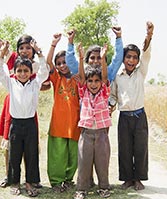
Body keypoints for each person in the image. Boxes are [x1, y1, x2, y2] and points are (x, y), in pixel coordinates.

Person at [0, 17, 43, 189]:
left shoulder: (37, 66)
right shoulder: (13, 61)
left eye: (28, 48)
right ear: (18, 50)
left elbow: (44, 81)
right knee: (10, 143)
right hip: (12, 107)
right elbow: (1, 45)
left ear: (33, 50)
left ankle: (31, 179)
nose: (25, 51)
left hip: (28, 109)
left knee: (30, 146)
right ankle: (9, 176)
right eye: (22, 48)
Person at [66, 26, 123, 187]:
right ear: (87, 60)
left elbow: (118, 58)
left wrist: (118, 38)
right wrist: (70, 43)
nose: (96, 61)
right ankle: (87, 180)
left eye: (99, 58)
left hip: (102, 121)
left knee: (101, 153)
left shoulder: (108, 74)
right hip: (86, 121)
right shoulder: (83, 77)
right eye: (92, 58)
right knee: (86, 152)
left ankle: (102, 182)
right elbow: (71, 61)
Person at [0, 39, 49, 197]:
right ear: (14, 72)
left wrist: (39, 52)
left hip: (30, 124)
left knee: (31, 154)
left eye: (26, 71)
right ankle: (15, 182)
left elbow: (44, 71)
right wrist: (2, 53)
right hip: (15, 124)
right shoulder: (10, 83)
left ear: (31, 72)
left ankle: (30, 183)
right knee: (14, 154)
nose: (23, 74)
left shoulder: (35, 83)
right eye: (19, 71)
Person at [109, 21, 154, 191]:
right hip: (125, 118)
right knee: (125, 148)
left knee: (140, 148)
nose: (132, 60)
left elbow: (146, 55)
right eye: (128, 56)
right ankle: (127, 179)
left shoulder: (140, 72)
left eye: (135, 57)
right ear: (123, 59)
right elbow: (113, 96)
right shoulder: (117, 77)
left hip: (139, 116)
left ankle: (138, 179)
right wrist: (110, 106)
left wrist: (148, 36)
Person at [74, 42, 112, 199]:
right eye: (90, 81)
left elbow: (104, 78)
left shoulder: (104, 93)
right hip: (86, 134)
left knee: (102, 162)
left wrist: (102, 59)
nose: (94, 84)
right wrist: (82, 58)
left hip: (102, 134)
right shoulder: (84, 93)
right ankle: (81, 189)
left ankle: (104, 187)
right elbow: (82, 77)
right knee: (84, 162)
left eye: (96, 81)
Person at [46, 33, 81, 193]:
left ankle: (68, 180)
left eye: (65, 62)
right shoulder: (56, 79)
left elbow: (83, 73)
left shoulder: (77, 79)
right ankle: (56, 182)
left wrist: (71, 43)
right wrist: (53, 45)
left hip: (75, 124)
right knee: (57, 155)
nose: (62, 65)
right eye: (59, 63)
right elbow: (48, 63)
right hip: (58, 124)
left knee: (73, 156)